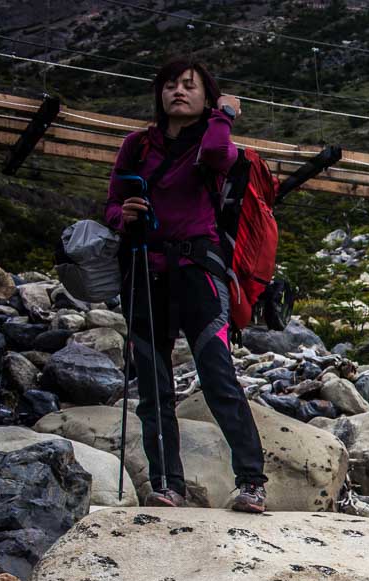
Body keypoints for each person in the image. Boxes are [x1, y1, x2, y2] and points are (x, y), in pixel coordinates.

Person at [104, 57, 267, 513]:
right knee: (154, 388)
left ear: (208, 99)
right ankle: (166, 484)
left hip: (199, 274)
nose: (178, 91)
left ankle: (251, 482)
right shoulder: (136, 147)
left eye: (190, 86)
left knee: (218, 378)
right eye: (171, 84)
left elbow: (216, 155)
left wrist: (224, 115)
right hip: (144, 273)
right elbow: (112, 204)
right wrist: (124, 216)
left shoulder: (221, 146)